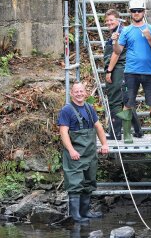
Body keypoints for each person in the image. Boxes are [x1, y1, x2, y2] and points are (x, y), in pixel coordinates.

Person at [113, 0, 151, 144]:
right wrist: (114, 40)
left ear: (144, 12)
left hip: (150, 72)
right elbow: (118, 51)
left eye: (139, 11)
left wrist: (149, 38)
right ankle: (127, 135)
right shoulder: (126, 31)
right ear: (130, 13)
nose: (136, 13)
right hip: (131, 72)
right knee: (128, 102)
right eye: (133, 11)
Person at [57, 82, 109, 223]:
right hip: (75, 154)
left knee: (89, 182)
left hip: (90, 153)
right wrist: (71, 150)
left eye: (81, 91)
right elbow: (63, 132)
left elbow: (98, 127)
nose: (79, 94)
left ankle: (85, 212)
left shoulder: (89, 108)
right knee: (75, 183)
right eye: (76, 92)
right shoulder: (66, 110)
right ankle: (75, 215)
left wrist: (104, 144)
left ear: (85, 93)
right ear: (71, 94)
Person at [104, 9, 143, 140]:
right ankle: (138, 130)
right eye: (107, 20)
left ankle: (115, 133)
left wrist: (109, 71)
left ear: (118, 19)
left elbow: (116, 54)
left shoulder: (120, 33)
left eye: (111, 20)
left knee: (115, 101)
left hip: (119, 69)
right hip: (126, 70)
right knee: (127, 100)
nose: (109, 22)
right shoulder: (118, 32)